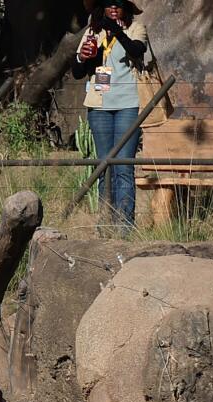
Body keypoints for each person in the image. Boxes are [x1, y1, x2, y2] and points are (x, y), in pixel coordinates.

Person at [73, 0, 150, 233]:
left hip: (129, 104)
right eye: (108, 4)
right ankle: (106, 221)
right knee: (104, 165)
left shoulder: (136, 28)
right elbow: (77, 72)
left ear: (125, 8)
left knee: (124, 166)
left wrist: (117, 31)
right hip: (99, 106)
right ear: (102, 8)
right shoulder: (92, 31)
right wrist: (83, 57)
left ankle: (125, 226)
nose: (113, 8)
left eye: (118, 4)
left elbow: (137, 50)